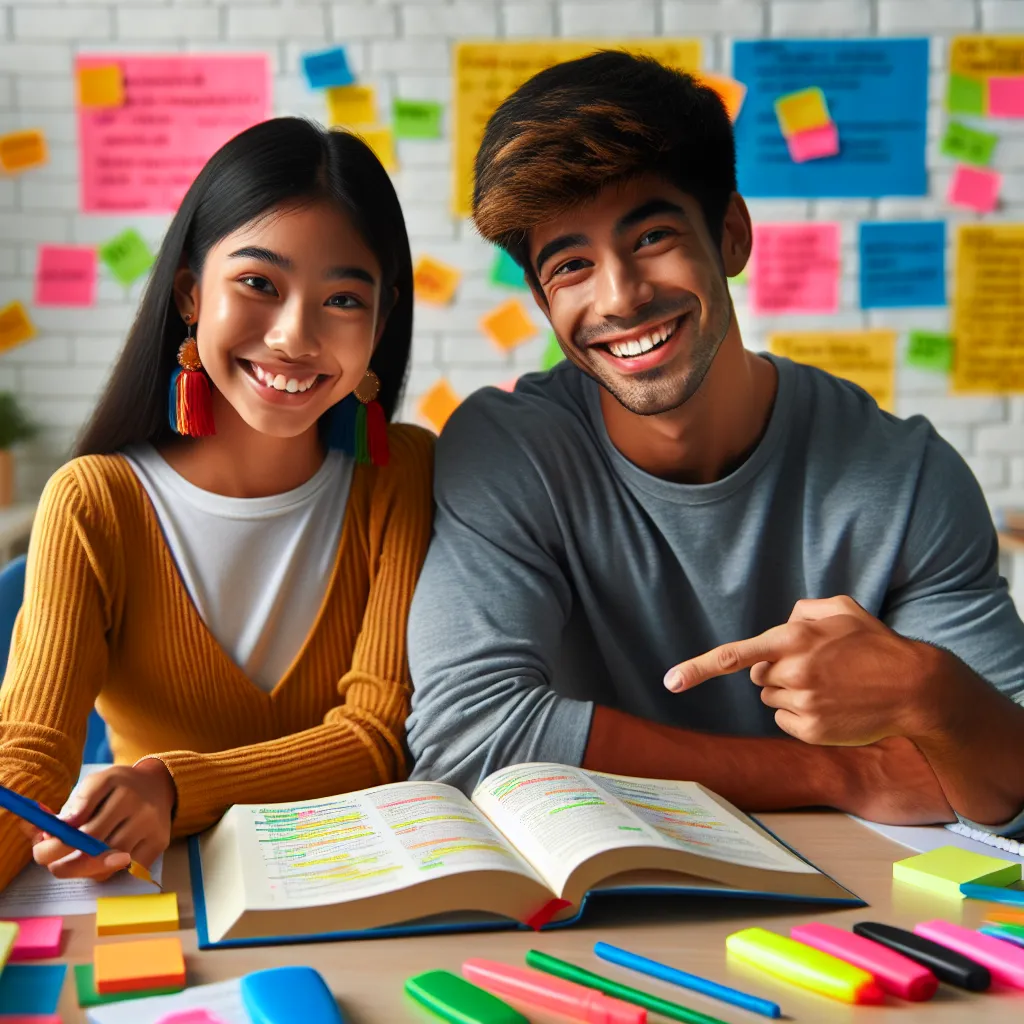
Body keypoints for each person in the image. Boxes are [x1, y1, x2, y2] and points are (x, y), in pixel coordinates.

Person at [406, 52, 1024, 834]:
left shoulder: (903, 478)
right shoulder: (508, 453)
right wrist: (839, 773)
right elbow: (467, 738)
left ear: (730, 236)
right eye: (571, 265)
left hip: (863, 905)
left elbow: (1006, 780)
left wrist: (930, 692)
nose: (621, 295)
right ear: (540, 297)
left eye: (654, 235)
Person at [0, 117, 433, 891]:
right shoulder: (95, 502)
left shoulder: (401, 476)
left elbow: (379, 740)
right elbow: (30, 756)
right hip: (156, 891)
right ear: (191, 291)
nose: (296, 337)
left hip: (359, 888)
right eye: (259, 284)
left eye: (342, 299)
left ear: (381, 319)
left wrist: (172, 786)